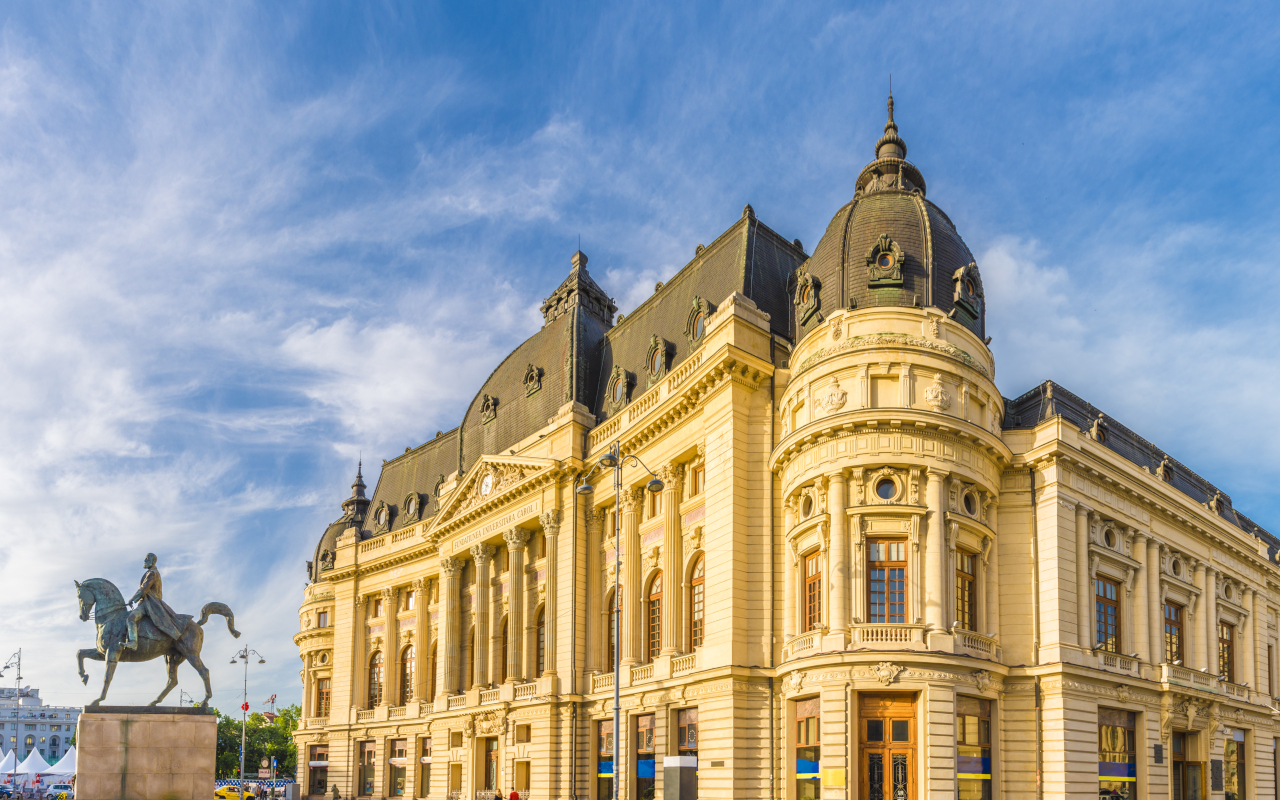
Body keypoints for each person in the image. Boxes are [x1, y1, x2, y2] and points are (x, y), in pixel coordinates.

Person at [123, 553, 184, 650]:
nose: (144, 561)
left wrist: (133, 599)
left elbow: (144, 589)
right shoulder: (152, 572)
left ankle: (133, 642)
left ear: (152, 561)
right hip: (146, 602)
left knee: (130, 618)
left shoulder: (152, 573)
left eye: (147, 559)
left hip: (149, 604)